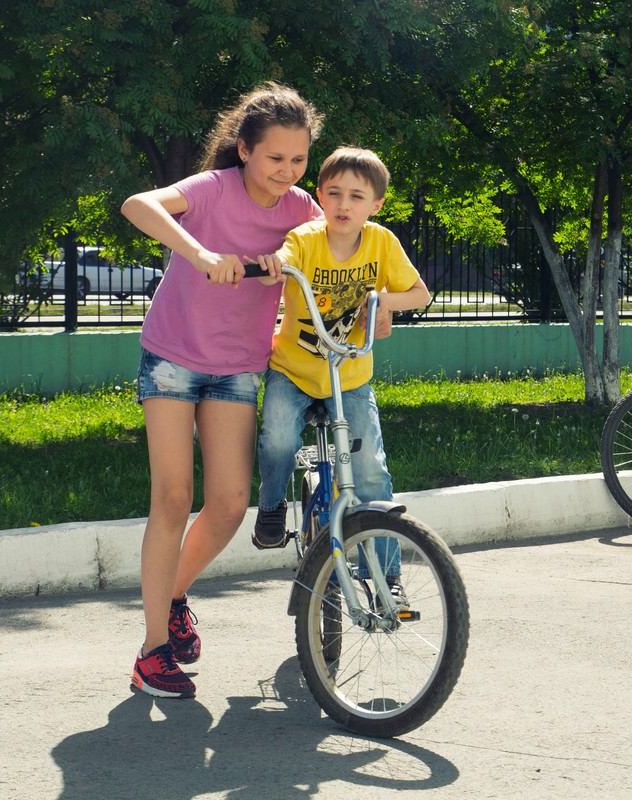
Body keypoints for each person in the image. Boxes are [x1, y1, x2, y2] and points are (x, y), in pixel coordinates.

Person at [119, 83, 324, 699]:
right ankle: (153, 651)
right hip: (174, 356)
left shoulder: (303, 210)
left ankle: (174, 595)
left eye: (298, 159)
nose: (287, 171)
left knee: (231, 503)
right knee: (173, 497)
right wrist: (201, 251)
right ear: (244, 150)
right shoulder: (212, 190)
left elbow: (341, 247)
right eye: (274, 158)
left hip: (238, 367)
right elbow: (138, 204)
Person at [251, 147, 431, 604]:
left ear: (376, 204)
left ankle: (388, 575)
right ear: (320, 196)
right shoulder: (305, 239)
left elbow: (419, 294)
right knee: (276, 441)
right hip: (293, 370)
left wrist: (380, 302)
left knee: (370, 471)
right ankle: (271, 506)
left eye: (357, 196)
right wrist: (273, 266)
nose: (344, 204)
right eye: (334, 194)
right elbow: (281, 259)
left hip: (348, 376)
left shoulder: (381, 243)